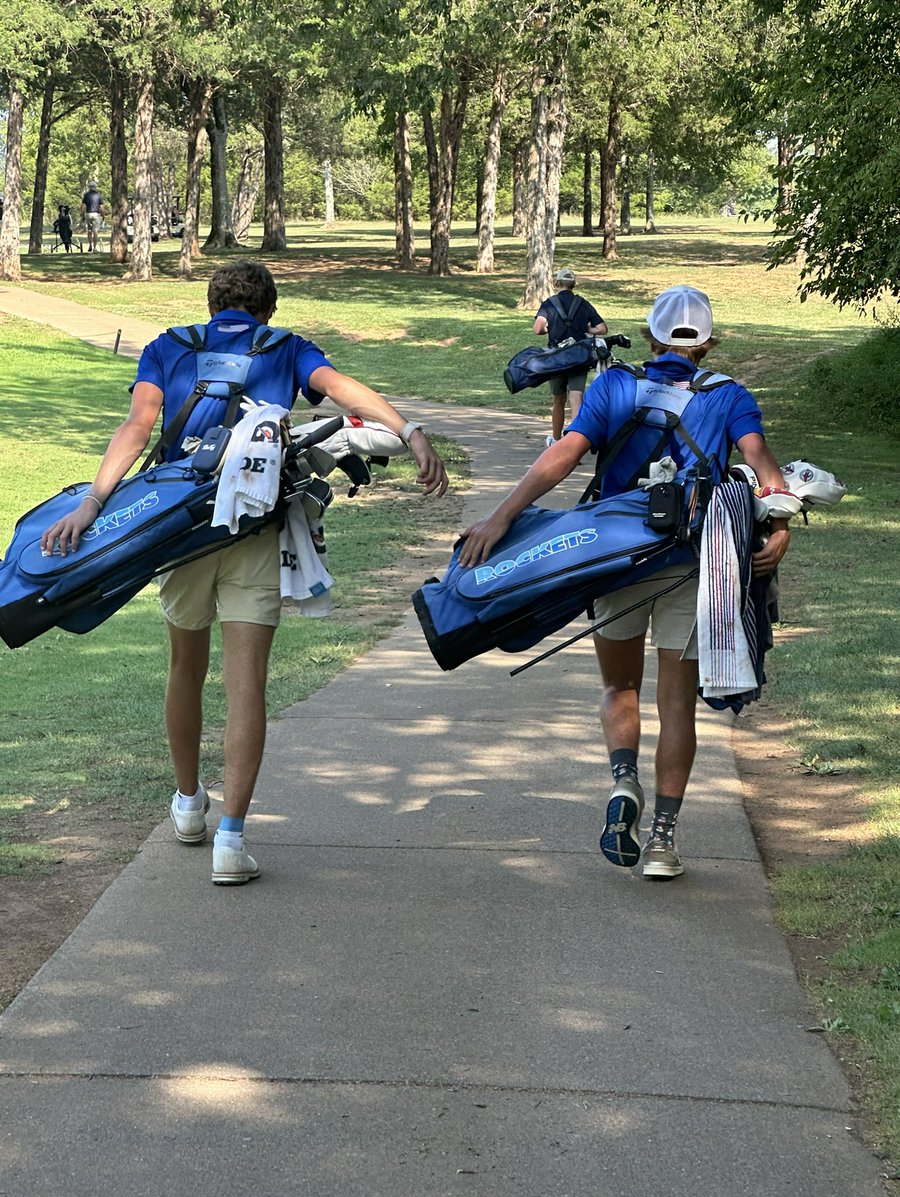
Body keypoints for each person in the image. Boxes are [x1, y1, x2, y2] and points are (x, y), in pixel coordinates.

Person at [41, 259, 449, 886]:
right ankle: (230, 840)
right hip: (255, 530)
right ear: (268, 309)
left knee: (185, 666)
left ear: (212, 306)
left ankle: (186, 805)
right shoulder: (284, 348)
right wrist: (411, 432)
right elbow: (343, 390)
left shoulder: (168, 347)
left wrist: (94, 501)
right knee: (246, 685)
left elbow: (138, 425)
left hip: (180, 533)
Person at [459, 284, 790, 881]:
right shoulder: (730, 396)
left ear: (650, 337)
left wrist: (503, 513)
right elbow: (764, 469)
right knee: (677, 705)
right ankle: (662, 841)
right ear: (709, 342)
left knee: (619, 687)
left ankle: (623, 781)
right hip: (692, 566)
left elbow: (566, 454)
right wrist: (782, 524)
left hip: (614, 559)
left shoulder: (614, 386)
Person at [533, 267, 608, 448]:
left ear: (557, 283)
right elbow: (602, 329)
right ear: (574, 284)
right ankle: (574, 444)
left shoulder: (549, 304)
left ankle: (556, 441)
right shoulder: (583, 303)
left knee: (558, 399)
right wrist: (587, 329)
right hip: (579, 357)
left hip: (557, 358)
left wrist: (549, 329)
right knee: (577, 399)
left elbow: (537, 329)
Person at [80, 182, 104, 251]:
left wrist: (82, 215)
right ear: (95, 187)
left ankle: (90, 246)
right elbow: (101, 207)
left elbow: (84, 206)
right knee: (95, 231)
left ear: (89, 187)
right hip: (96, 214)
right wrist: (103, 215)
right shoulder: (99, 195)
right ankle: (95, 247)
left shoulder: (86, 195)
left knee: (89, 231)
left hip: (88, 213)